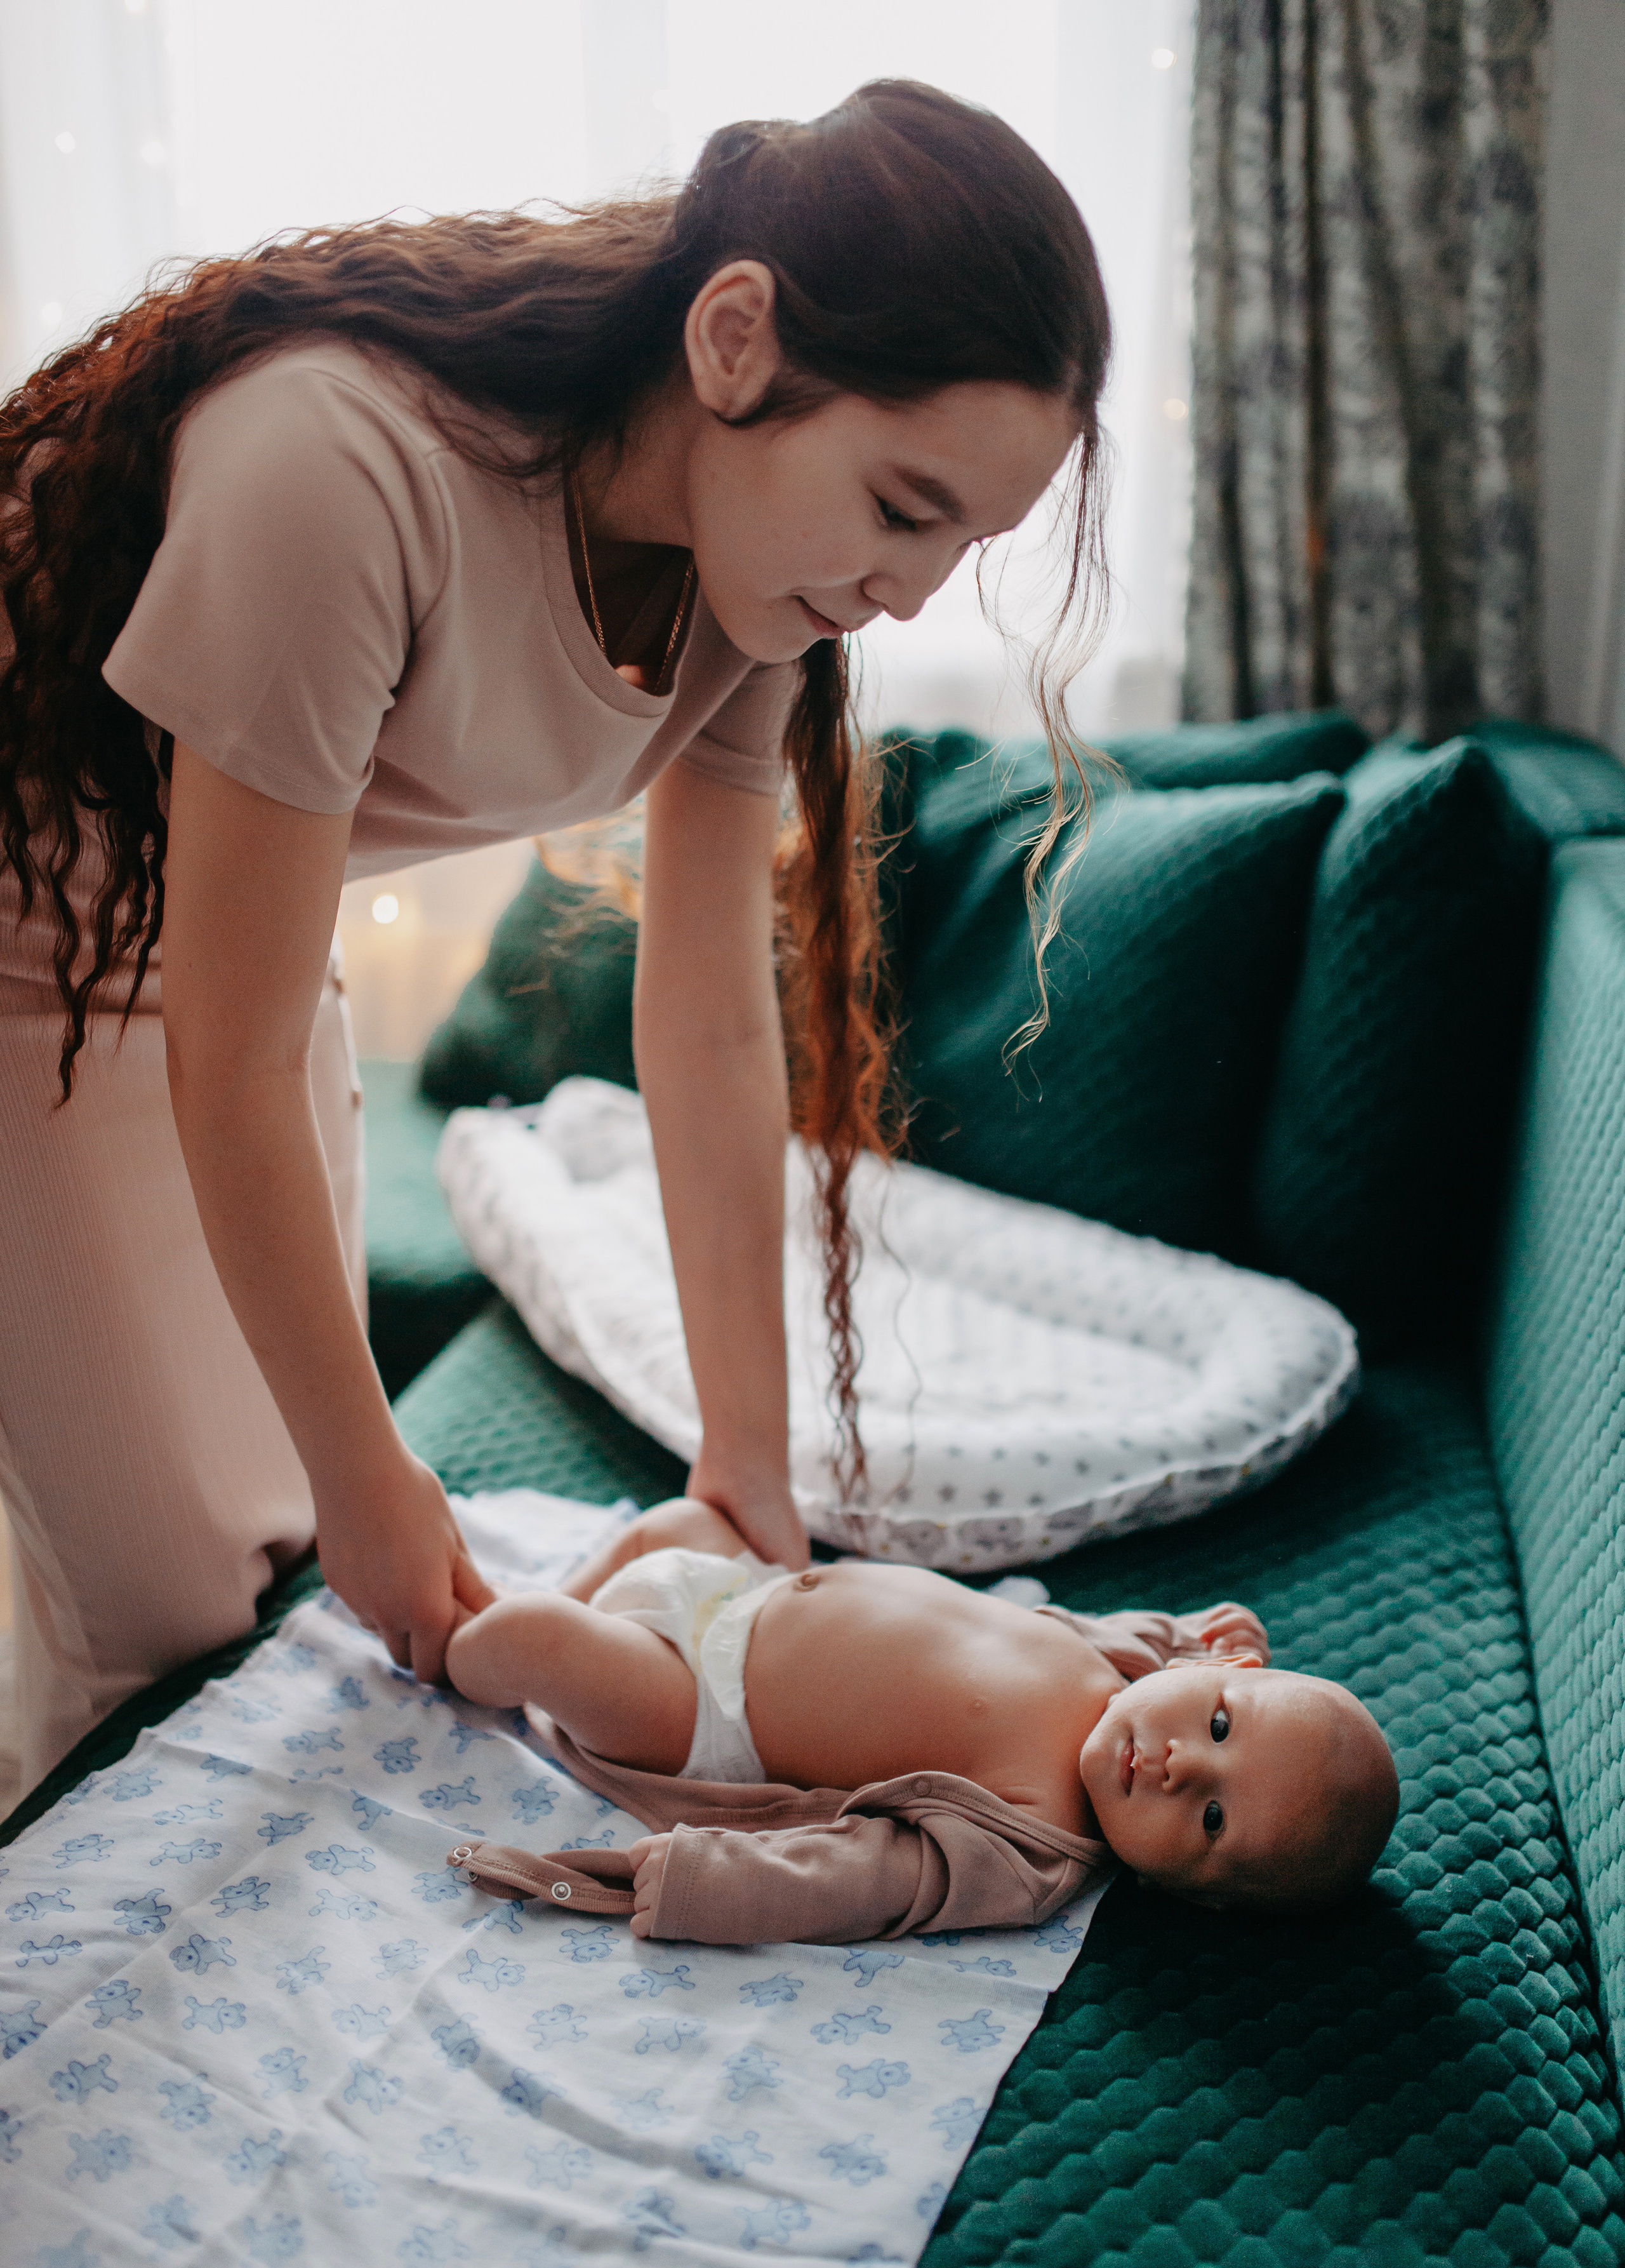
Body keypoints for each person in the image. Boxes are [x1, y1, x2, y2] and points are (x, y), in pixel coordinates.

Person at [0, 83, 1113, 1792]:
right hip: (25, 960)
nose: (913, 594)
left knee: (260, 1540)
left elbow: (714, 1025)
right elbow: (223, 1068)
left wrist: (748, 1467)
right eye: (904, 507)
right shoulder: (337, 462)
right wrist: (379, 1474)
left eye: (964, 545)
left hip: (212, 953)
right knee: (149, 1602)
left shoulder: (756, 595)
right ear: (736, 339)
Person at [443, 1497, 1400, 1943]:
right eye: (1223, 1726)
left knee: (532, 1638)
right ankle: (566, 1599)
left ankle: (454, 1648)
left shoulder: (1037, 1841)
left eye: (1212, 1820)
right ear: (1226, 1665)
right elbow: (1155, 1650)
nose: (1182, 1767)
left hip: (700, 1709)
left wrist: (705, 1880)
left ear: (1193, 1894)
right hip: (748, 1592)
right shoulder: (1136, 1665)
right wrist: (1195, 1642)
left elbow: (873, 1878)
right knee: (679, 1522)